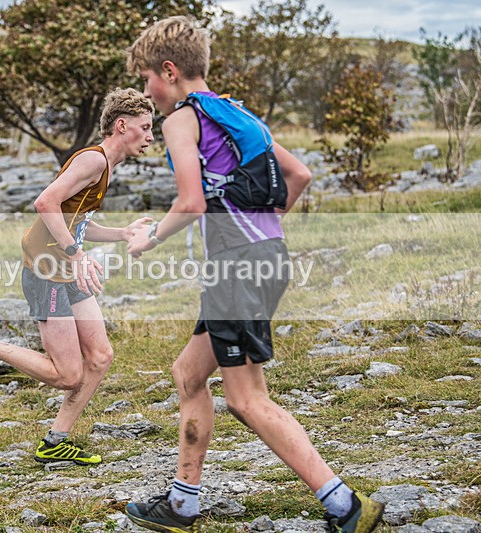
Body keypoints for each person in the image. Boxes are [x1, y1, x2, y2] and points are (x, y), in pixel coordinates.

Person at [122, 16, 385, 533]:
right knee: (189, 374)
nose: (146, 92)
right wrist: (260, 230)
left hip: (237, 268)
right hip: (264, 257)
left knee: (246, 398)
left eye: (146, 79)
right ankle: (182, 503)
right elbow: (299, 174)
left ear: (168, 71)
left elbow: (191, 202)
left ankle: (346, 506)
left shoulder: (181, 119)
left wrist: (148, 238)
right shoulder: (237, 113)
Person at [0, 87, 155, 466]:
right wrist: (75, 254)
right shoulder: (93, 160)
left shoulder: (105, 165)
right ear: (122, 126)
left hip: (65, 268)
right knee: (68, 375)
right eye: (145, 127)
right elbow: (45, 202)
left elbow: (78, 222)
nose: (151, 136)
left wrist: (121, 234)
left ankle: (56, 440)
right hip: (46, 271)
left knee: (101, 356)